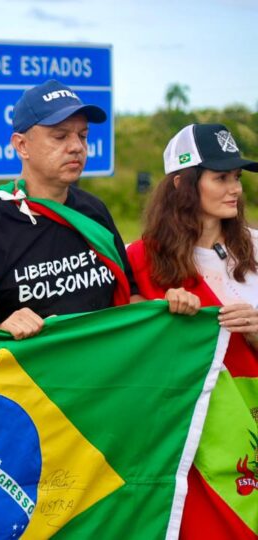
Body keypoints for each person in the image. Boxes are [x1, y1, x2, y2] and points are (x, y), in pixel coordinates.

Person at [126, 123, 258, 539]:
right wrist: (158, 317)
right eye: (221, 178)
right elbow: (126, 352)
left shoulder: (256, 246)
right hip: (188, 446)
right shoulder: (139, 259)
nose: (235, 188)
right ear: (182, 184)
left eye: (236, 177)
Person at [0, 79, 146, 339]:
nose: (76, 147)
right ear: (21, 145)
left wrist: (167, 309)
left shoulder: (93, 211)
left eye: (83, 136)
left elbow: (130, 295)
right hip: (29, 374)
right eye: (60, 136)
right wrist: (0, 329)